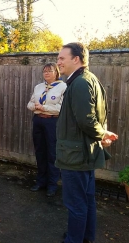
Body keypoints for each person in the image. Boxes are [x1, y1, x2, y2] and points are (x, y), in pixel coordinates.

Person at [56, 42, 118, 243]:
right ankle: (86, 237)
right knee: (87, 200)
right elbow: (96, 117)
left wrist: (101, 135)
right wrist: (103, 133)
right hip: (84, 153)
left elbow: (87, 120)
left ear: (76, 59)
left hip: (76, 156)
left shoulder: (81, 82)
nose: (58, 62)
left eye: (62, 58)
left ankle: (74, 240)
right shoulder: (89, 79)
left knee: (76, 204)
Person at [27, 63, 67, 197]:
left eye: (49, 71)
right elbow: (30, 104)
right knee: (40, 152)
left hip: (52, 122)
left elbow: (61, 109)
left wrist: (44, 108)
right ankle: (41, 181)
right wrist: (37, 107)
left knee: (52, 153)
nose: (46, 73)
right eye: (44, 71)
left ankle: (52, 185)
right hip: (38, 121)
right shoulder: (38, 87)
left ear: (56, 72)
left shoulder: (63, 87)